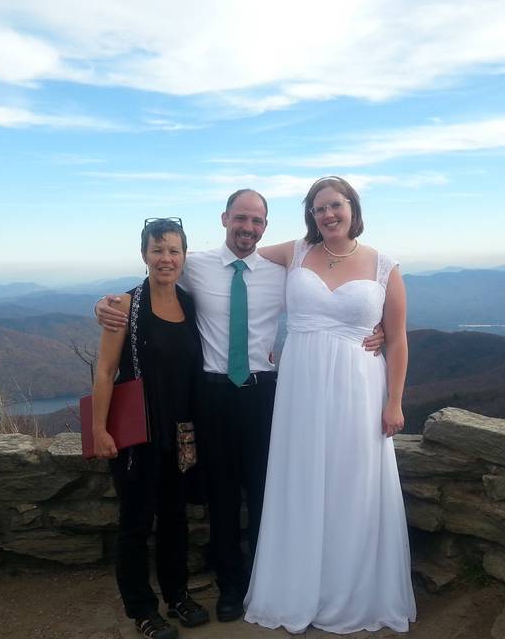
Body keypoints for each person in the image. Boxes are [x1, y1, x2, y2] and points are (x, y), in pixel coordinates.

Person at [95, 190, 384, 623]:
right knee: (222, 496)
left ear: (265, 226)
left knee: (272, 492)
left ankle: (273, 583)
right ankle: (231, 586)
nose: (248, 228)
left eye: (257, 221)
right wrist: (105, 305)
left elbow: (328, 299)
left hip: (268, 395)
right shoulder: (196, 266)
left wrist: (373, 326)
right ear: (225, 218)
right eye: (241, 219)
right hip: (211, 396)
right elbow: (156, 282)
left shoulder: (283, 268)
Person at [243, 176, 417, 633]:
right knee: (300, 480)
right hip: (300, 388)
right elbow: (235, 262)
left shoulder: (384, 266)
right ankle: (299, 587)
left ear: (352, 208)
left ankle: (353, 590)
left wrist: (394, 402)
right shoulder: (295, 251)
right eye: (319, 209)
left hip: (359, 389)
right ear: (311, 215)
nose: (328, 215)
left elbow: (397, 340)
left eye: (335, 206)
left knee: (352, 483)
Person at [91, 218, 209, 639]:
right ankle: (142, 609)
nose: (166, 258)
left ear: (184, 257)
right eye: (158, 250)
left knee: (175, 518)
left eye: (174, 251)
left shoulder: (191, 304)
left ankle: (177, 595)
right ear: (144, 255)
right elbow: (105, 371)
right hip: (137, 437)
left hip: (180, 433)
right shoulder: (124, 305)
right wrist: (99, 429)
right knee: (136, 523)